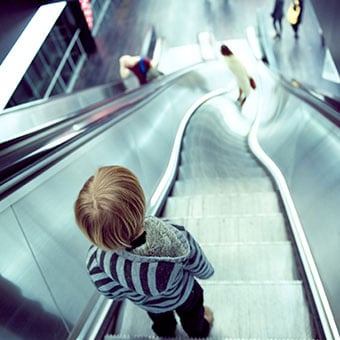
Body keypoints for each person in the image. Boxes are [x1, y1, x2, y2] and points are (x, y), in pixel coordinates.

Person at [74, 165, 214, 338]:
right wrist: (207, 273)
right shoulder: (174, 237)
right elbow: (197, 262)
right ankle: (198, 332)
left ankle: (166, 332)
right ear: (140, 203)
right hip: (185, 294)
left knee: (161, 319)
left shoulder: (97, 261)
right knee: (193, 315)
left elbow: (111, 293)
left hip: (150, 305)